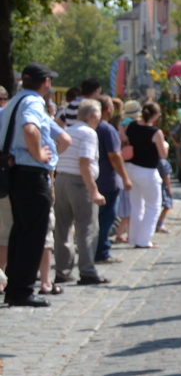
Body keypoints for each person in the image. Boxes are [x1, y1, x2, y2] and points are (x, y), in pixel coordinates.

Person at [3, 64, 63, 307]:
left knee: (21, 232)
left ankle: (16, 287)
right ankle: (22, 290)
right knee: (33, 233)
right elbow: (30, 128)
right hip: (30, 173)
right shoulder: (33, 102)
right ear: (46, 82)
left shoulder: (13, 102)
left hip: (16, 172)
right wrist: (38, 153)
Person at [52, 99, 107, 286]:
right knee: (86, 228)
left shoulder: (67, 130)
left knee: (63, 227)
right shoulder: (89, 133)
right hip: (79, 182)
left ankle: (63, 270)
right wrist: (94, 191)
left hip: (62, 179)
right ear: (92, 116)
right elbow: (84, 161)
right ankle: (87, 271)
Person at [124, 101, 170, 250]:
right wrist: (166, 146)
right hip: (147, 171)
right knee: (153, 206)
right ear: (155, 115)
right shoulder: (156, 132)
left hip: (130, 168)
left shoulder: (131, 126)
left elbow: (125, 140)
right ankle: (144, 240)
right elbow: (162, 154)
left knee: (136, 205)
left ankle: (134, 237)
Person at [93, 97, 128, 263]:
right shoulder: (107, 129)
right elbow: (115, 156)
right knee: (106, 219)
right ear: (108, 109)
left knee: (94, 220)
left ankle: (95, 250)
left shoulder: (91, 127)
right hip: (107, 180)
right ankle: (101, 252)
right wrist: (125, 178)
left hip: (92, 180)